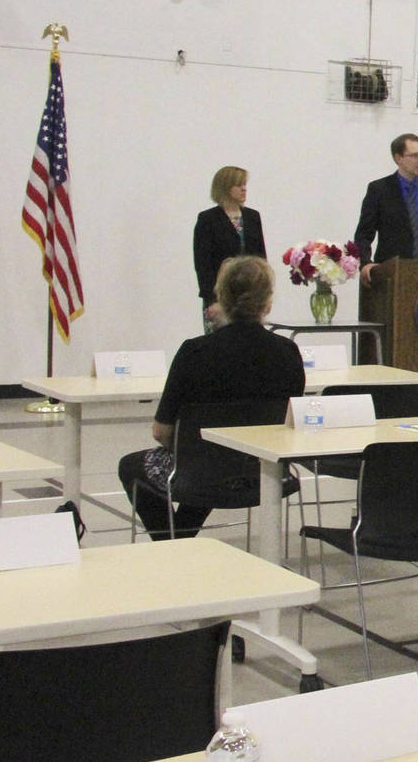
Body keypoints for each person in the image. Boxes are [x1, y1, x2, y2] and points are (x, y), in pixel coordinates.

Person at [117, 257, 305, 539]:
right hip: (265, 472)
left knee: (134, 465)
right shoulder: (288, 352)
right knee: (208, 462)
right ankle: (180, 538)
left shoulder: (195, 352)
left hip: (200, 471)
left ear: (221, 299)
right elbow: (288, 423)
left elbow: (161, 431)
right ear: (267, 303)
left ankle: (173, 542)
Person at [353, 133, 418, 282]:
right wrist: (366, 263)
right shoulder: (379, 190)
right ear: (398, 158)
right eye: (414, 155)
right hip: (391, 273)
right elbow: (363, 234)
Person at [192, 165, 265, 330]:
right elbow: (203, 264)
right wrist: (211, 300)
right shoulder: (207, 219)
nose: (244, 189)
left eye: (245, 184)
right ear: (225, 187)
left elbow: (261, 258)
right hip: (220, 296)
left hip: (250, 296)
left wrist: (264, 296)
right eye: (239, 185)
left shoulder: (253, 217)